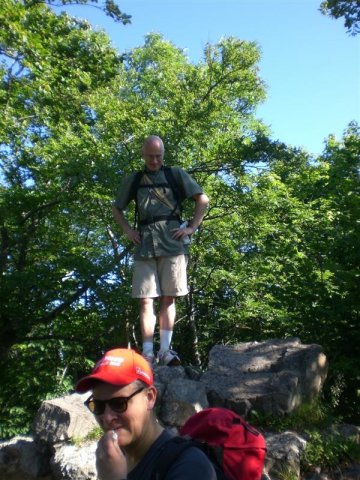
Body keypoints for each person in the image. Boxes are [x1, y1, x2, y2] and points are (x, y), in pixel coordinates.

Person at [112, 136, 209, 366]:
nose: (155, 160)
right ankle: (147, 353)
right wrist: (127, 230)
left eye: (159, 156)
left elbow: (202, 200)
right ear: (142, 154)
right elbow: (117, 208)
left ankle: (165, 351)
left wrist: (192, 228)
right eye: (150, 156)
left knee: (168, 297)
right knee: (146, 300)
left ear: (163, 154)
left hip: (173, 244)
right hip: (144, 244)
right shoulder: (135, 179)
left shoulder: (175, 174)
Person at [76, 348, 217, 480]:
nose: (107, 417)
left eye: (119, 403)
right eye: (99, 406)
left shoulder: (190, 465)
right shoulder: (114, 463)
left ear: (149, 398)